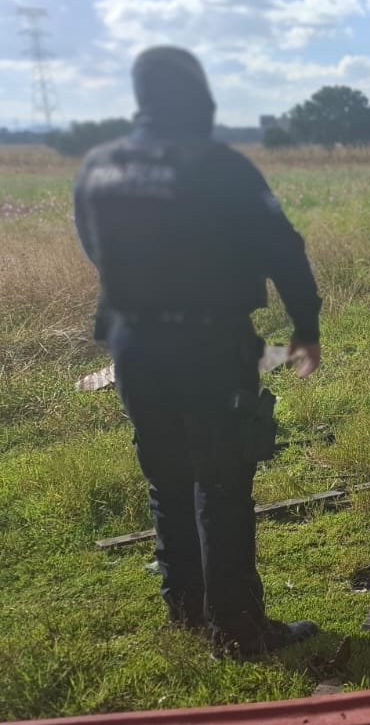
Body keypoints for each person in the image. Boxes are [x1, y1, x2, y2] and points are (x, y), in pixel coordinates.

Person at [72, 46, 324, 659]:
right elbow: (283, 248)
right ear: (198, 95)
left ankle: (185, 607)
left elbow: (92, 243)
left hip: (133, 343)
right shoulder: (218, 165)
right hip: (207, 343)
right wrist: (305, 325)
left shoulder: (100, 165)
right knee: (222, 479)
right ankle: (239, 630)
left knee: (167, 478)